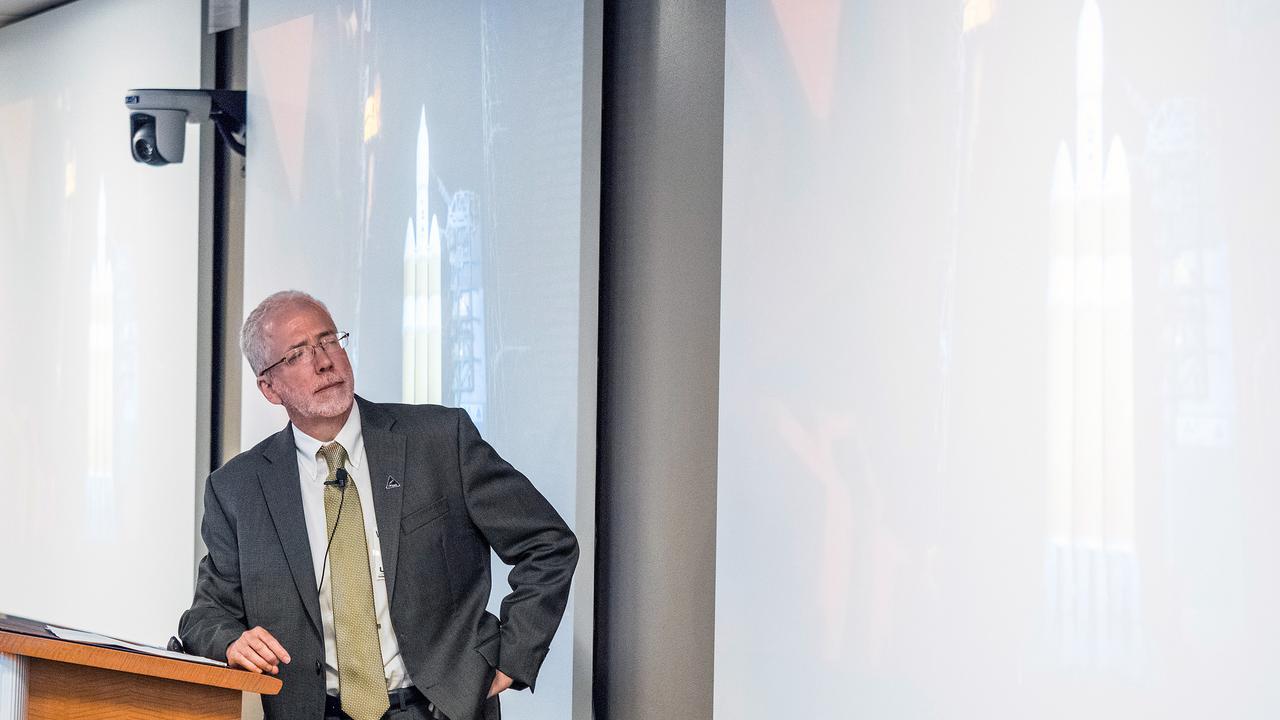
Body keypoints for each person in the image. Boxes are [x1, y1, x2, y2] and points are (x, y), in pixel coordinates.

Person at [179, 290, 578, 720]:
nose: (324, 361)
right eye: (297, 354)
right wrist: (229, 641)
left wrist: (513, 656)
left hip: (437, 710)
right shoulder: (237, 488)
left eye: (329, 340)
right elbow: (205, 615)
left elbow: (547, 543)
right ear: (269, 387)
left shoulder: (440, 440)